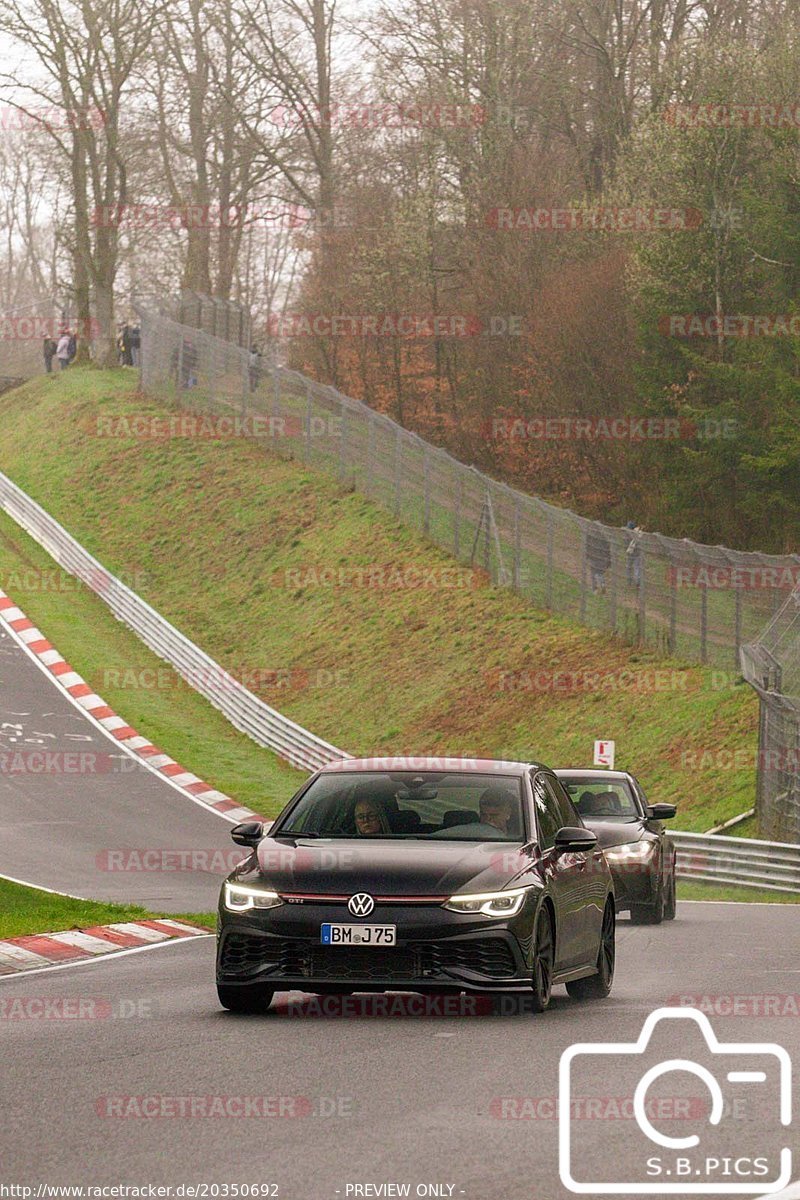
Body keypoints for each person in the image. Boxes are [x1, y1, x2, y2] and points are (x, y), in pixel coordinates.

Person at [586, 525, 611, 595]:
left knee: (593, 573)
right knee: (601, 573)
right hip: (602, 559)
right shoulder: (603, 538)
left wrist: (586, 556)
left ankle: (595, 589)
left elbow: (587, 547)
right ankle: (602, 583)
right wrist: (609, 561)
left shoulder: (590, 537)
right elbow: (608, 550)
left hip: (593, 558)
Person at [625, 520, 643, 587]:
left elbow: (626, 544)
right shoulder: (638, 534)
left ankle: (630, 581)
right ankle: (637, 581)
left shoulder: (628, 534)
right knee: (636, 568)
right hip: (637, 553)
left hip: (631, 553)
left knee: (629, 567)